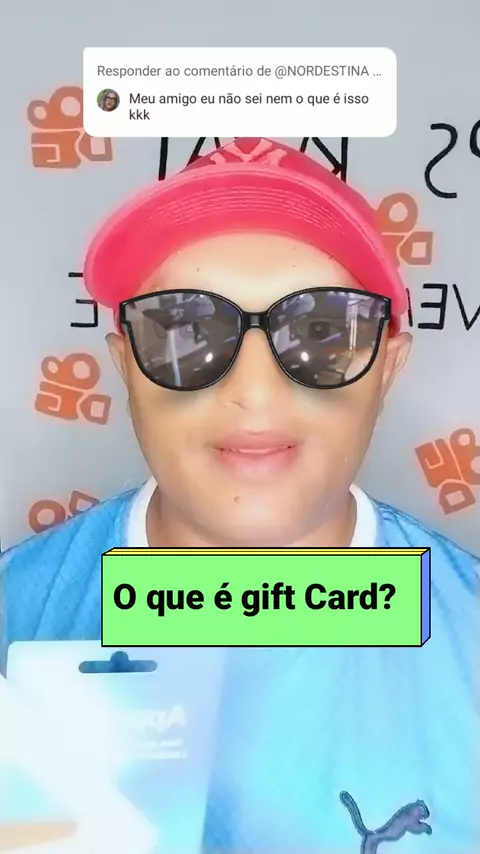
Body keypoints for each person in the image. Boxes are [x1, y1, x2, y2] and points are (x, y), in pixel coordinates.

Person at [2, 138, 479, 852]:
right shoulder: (15, 613)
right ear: (125, 366)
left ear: (387, 368)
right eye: (185, 329)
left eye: (322, 330)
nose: (254, 392)